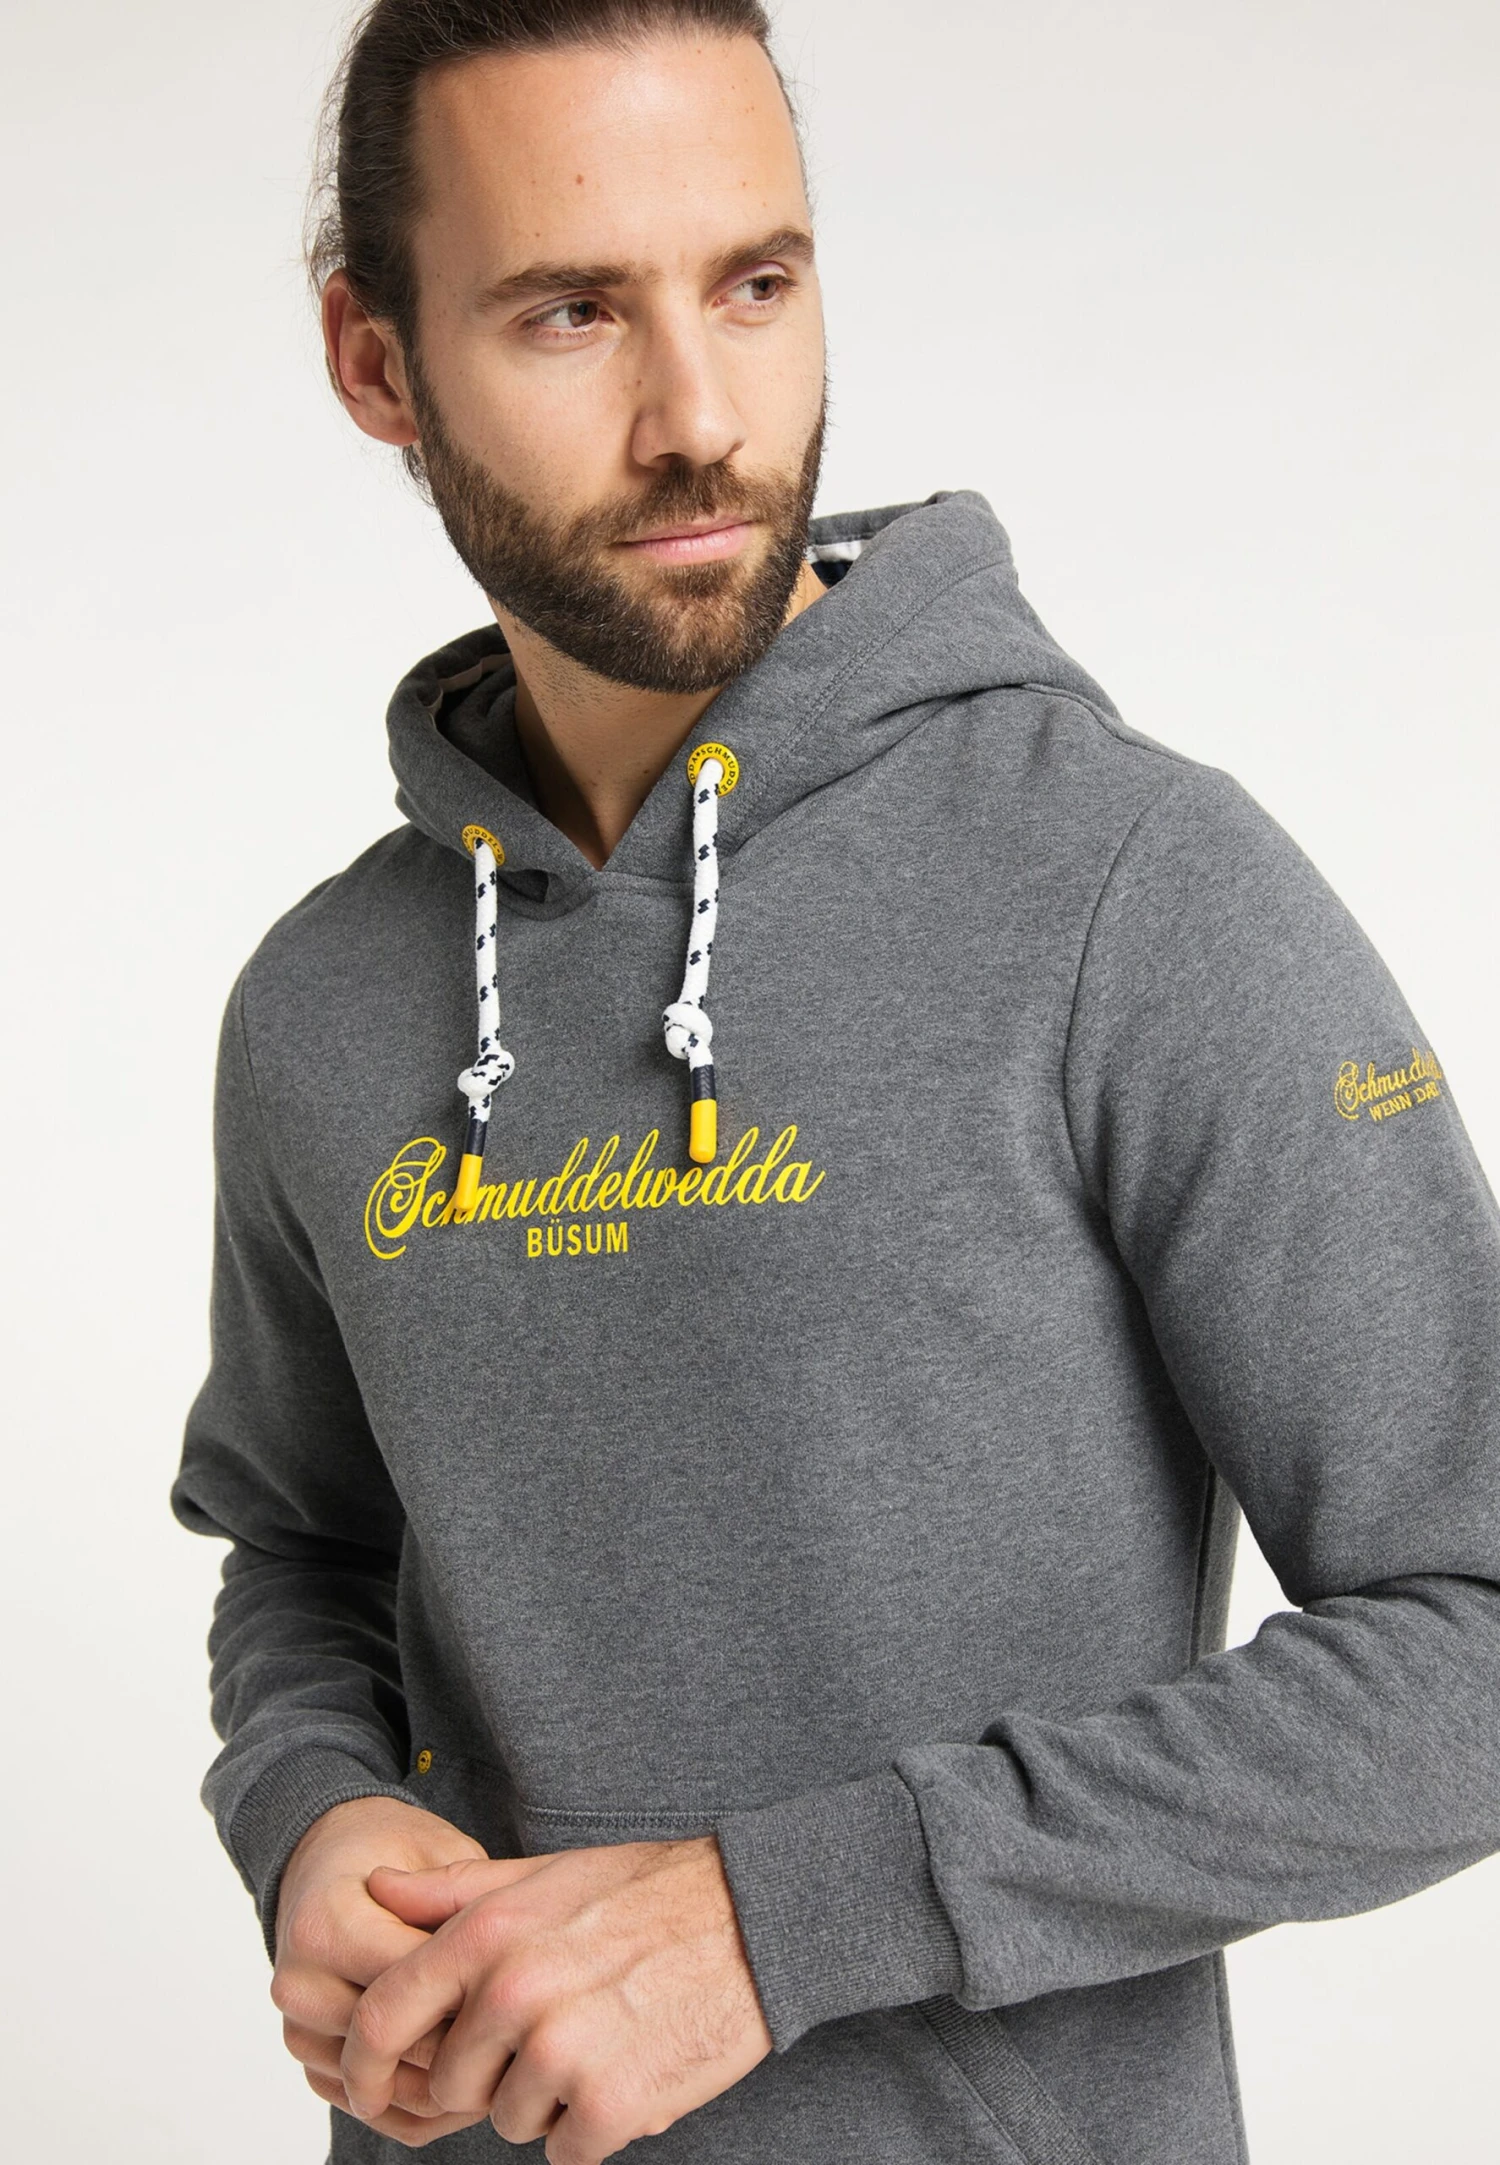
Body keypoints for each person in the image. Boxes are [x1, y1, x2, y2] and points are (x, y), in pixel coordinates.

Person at [169, 3, 1500, 2161]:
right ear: (377, 364)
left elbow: (1478, 1637)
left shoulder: (1131, 887)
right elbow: (302, 1549)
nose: (701, 417)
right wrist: (312, 1806)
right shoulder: (321, 1004)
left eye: (756, 284)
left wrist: (779, 1918)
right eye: (572, 311)